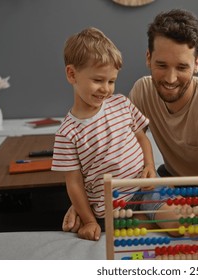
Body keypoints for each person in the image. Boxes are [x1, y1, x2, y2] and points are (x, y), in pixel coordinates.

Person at [62, 9, 198, 233]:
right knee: (134, 219)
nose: (170, 79)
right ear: (148, 58)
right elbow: (115, 144)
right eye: (161, 65)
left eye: (181, 67)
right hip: (169, 182)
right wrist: (85, 203)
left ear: (196, 63)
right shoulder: (142, 91)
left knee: (180, 229)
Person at [51, 27, 157, 241]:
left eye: (111, 81)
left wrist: (150, 166)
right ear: (72, 74)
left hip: (143, 188)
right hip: (111, 207)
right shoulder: (67, 133)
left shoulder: (121, 103)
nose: (106, 89)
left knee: (174, 220)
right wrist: (89, 220)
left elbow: (142, 138)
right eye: (98, 80)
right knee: (144, 227)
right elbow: (74, 183)